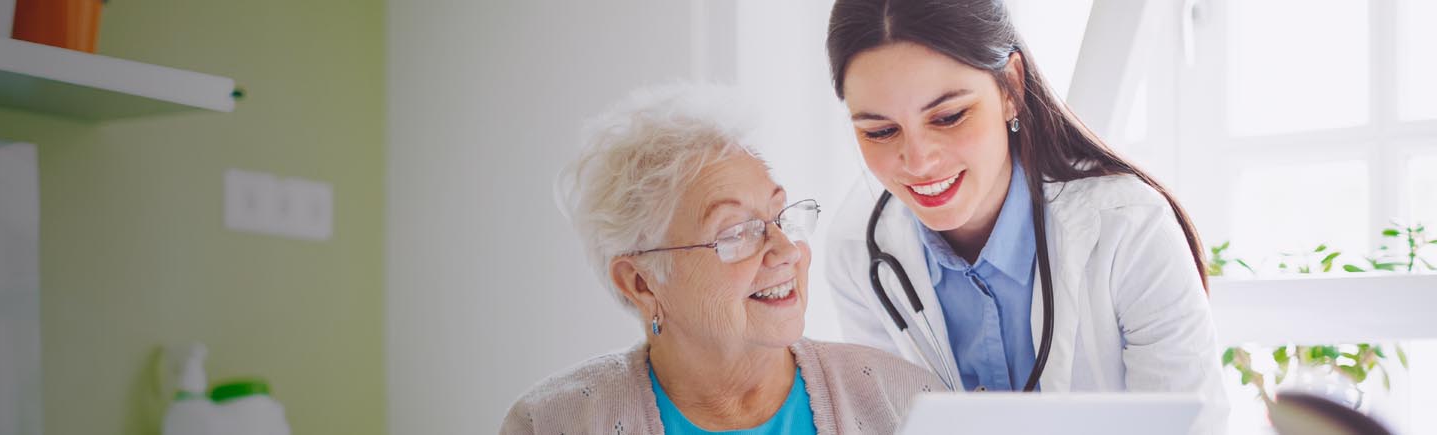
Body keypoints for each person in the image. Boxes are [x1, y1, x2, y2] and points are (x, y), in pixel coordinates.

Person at [821, 0, 1228, 431]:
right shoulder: (857, 253)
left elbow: (1193, 427)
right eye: (880, 131)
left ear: (1011, 88)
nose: (918, 162)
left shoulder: (1130, 228)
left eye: (949, 116)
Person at [501, 85, 945, 435]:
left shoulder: (906, 403)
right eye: (735, 233)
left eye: (780, 216)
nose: (786, 251)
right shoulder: (551, 424)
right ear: (640, 283)